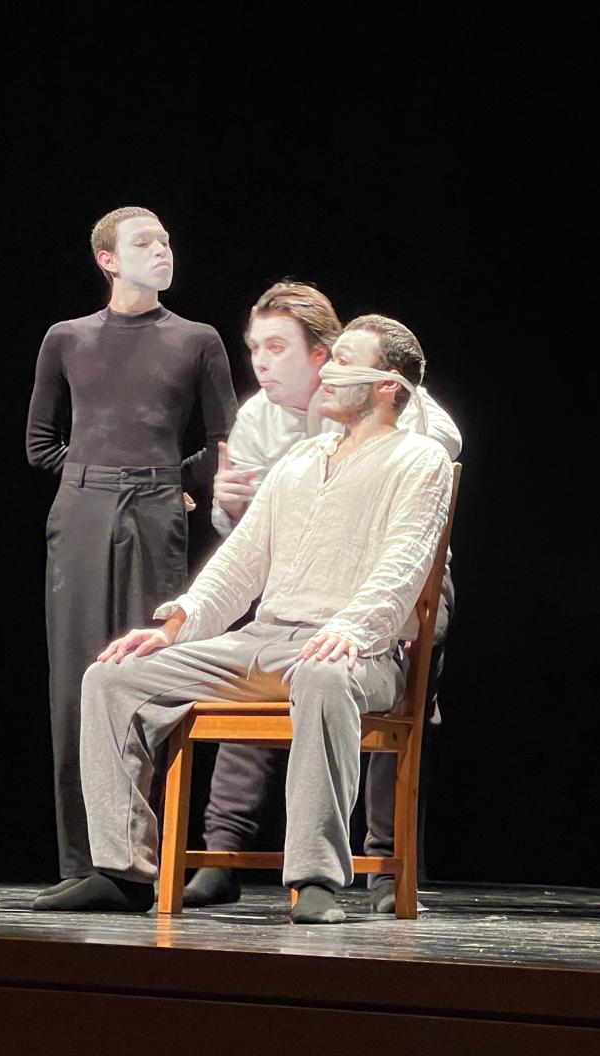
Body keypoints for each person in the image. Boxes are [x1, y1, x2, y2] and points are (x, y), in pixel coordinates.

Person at [34, 319, 453, 924]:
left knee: (323, 676)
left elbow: (405, 563)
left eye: (344, 361)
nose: (328, 372)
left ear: (387, 384)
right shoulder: (302, 459)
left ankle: (314, 878)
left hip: (356, 652)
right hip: (263, 640)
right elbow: (240, 559)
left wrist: (352, 629)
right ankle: (123, 872)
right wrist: (176, 625)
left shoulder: (418, 459)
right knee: (114, 677)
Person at [186, 286, 462, 913]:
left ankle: (385, 861)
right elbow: (247, 538)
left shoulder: (393, 397)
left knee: (391, 678)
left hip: (397, 577)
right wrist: (228, 504)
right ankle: (223, 853)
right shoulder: (260, 418)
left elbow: (428, 469)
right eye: (255, 348)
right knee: (257, 664)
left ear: (321, 356)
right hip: (302, 586)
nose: (261, 362)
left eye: (276, 348)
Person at [25, 206, 235, 902]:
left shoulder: (197, 339)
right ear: (108, 260)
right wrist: (97, 479)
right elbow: (39, 444)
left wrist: (168, 482)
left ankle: (149, 861)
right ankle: (82, 863)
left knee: (150, 674)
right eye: (145, 242)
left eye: (167, 240)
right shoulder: (67, 337)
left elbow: (225, 441)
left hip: (154, 507)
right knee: (76, 678)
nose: (162, 250)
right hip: (83, 509)